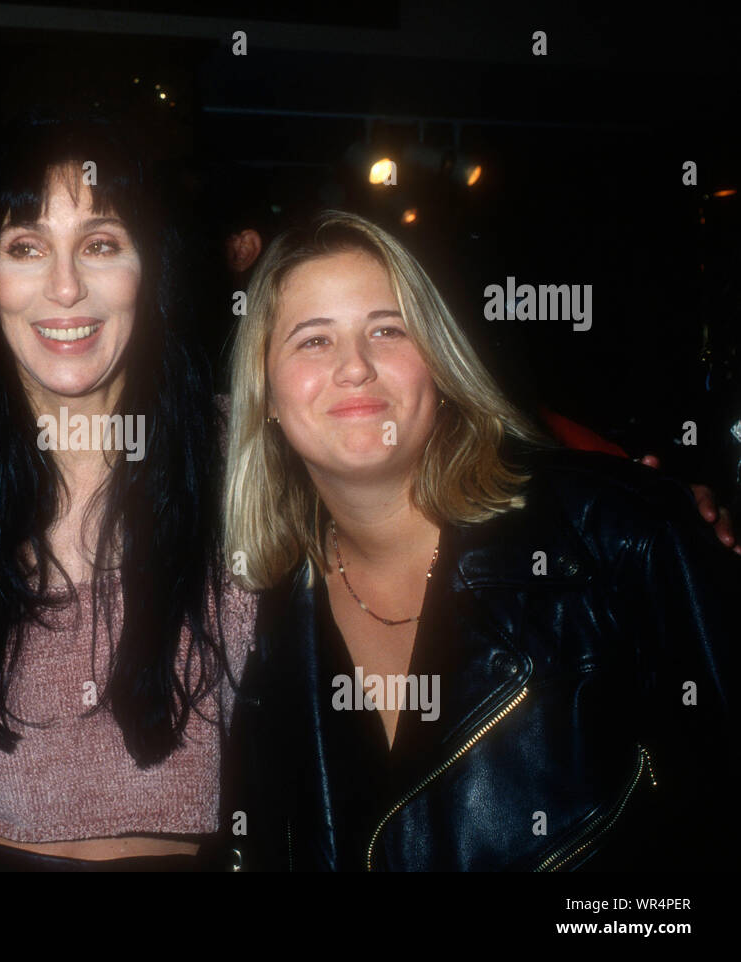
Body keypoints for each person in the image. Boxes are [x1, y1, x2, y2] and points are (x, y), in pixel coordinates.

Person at [221, 210, 737, 871]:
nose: (354, 368)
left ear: (437, 362)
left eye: (387, 329)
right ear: (264, 392)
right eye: (313, 341)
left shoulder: (615, 539)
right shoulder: (253, 616)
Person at [0, 117, 257, 869]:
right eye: (26, 247)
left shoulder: (240, 455)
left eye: (100, 244)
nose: (63, 288)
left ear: (150, 270)